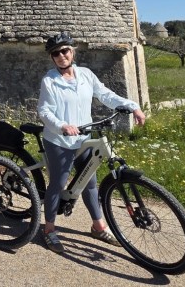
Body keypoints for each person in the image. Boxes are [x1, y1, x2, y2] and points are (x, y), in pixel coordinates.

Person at [37, 31, 147, 254]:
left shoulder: (86, 75)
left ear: (72, 52)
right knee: (58, 184)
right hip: (59, 139)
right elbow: (44, 111)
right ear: (52, 58)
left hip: (84, 137)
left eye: (65, 51)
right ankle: (49, 229)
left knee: (90, 183)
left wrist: (131, 106)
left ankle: (98, 226)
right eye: (56, 53)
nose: (61, 56)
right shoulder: (49, 81)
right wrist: (62, 126)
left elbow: (105, 94)